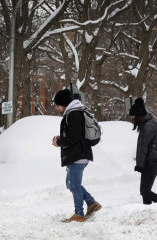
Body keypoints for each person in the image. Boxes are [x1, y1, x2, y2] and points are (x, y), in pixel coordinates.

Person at [52, 88, 101, 222]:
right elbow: (74, 134)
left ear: (63, 103)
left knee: (74, 185)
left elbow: (74, 137)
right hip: (78, 153)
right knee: (71, 184)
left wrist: (59, 142)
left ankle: (79, 214)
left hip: (78, 154)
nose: (57, 107)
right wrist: (61, 138)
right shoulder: (74, 112)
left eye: (58, 104)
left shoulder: (73, 114)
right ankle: (91, 203)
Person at [129, 98, 157, 205]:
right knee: (145, 193)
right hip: (149, 162)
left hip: (152, 163)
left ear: (140, 115)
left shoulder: (149, 126)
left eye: (134, 117)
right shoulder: (146, 125)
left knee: (145, 191)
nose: (134, 119)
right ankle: (148, 211)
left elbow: (143, 147)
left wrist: (139, 165)